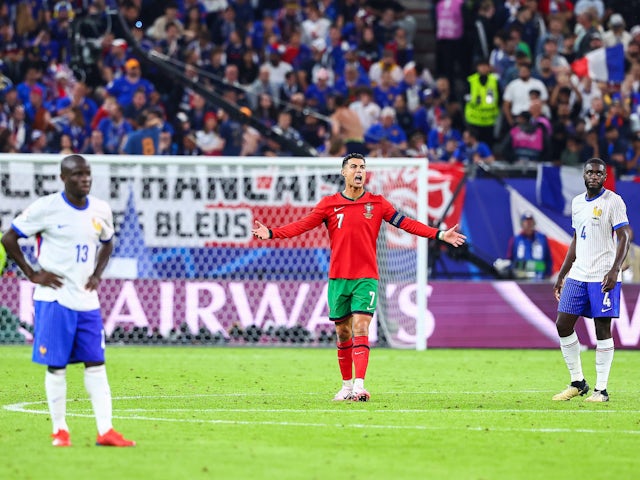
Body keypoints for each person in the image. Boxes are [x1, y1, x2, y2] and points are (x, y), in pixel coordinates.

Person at [251, 153, 467, 402]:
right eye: (353, 166)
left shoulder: (377, 203)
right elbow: (303, 225)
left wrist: (439, 235)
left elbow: (406, 223)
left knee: (361, 326)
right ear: (343, 172)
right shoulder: (329, 204)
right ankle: (345, 386)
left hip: (366, 277)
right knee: (343, 332)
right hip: (338, 278)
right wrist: (271, 232)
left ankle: (359, 386)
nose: (359, 170)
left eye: (362, 167)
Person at [0, 155, 136, 447]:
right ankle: (60, 430)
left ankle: (106, 431)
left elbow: (108, 242)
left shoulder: (100, 209)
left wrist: (98, 274)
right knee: (57, 366)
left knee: (96, 363)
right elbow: (9, 238)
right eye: (76, 175)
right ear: (64, 178)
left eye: (87, 174)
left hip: (87, 300)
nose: (84, 179)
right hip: (54, 299)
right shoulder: (47, 208)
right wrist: (32, 273)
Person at [552, 158, 631, 403]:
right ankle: (578, 382)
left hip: (602, 276)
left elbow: (625, 236)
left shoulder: (613, 201)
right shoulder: (577, 203)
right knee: (562, 325)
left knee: (602, 329)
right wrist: (563, 274)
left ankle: (602, 390)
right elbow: (576, 239)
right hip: (578, 275)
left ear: (605, 177)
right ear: (584, 175)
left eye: (599, 173)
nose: (594, 176)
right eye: (590, 172)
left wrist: (615, 270)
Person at [506, 212, 552, 279]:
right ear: (522, 224)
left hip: (539, 276)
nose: (529, 224)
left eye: (531, 221)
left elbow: (548, 258)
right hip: (520, 277)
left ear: (534, 223)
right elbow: (509, 260)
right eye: (526, 222)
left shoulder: (542, 239)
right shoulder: (515, 240)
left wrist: (548, 273)